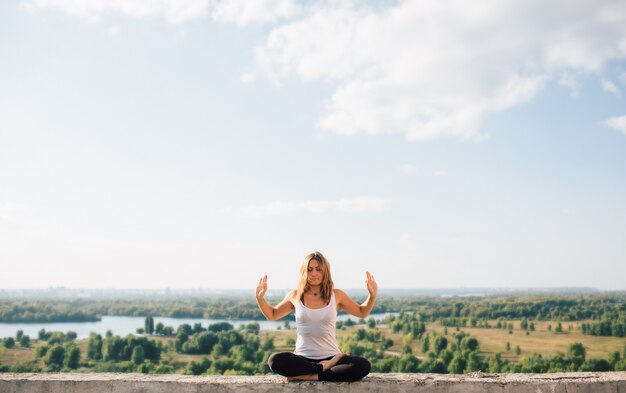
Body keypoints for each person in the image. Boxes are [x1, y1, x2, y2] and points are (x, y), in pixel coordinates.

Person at [255, 251, 378, 382]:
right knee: (275, 360)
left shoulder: (336, 295)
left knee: (363, 365)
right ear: (304, 272)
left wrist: (372, 295)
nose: (314, 273)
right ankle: (320, 368)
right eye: (310, 269)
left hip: (332, 357)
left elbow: (362, 311)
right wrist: (260, 298)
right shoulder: (295, 295)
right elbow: (272, 314)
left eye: (318, 269)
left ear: (325, 271)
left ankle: (312, 375)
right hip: (303, 359)